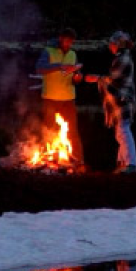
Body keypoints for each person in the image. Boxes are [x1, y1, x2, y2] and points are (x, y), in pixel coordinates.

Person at [34, 27, 84, 167]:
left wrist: (77, 77)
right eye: (67, 40)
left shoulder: (73, 54)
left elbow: (74, 77)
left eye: (71, 42)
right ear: (61, 38)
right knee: (49, 130)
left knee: (73, 131)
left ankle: (79, 162)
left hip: (68, 99)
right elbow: (39, 68)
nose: (69, 44)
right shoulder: (48, 51)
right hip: (50, 98)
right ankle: (48, 162)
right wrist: (59, 67)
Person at [94, 30, 136, 174]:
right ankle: (123, 163)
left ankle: (131, 164)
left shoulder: (123, 58)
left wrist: (97, 78)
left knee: (124, 131)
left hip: (123, 99)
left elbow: (113, 78)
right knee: (120, 133)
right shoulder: (122, 57)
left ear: (118, 44)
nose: (110, 46)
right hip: (121, 100)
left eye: (112, 44)